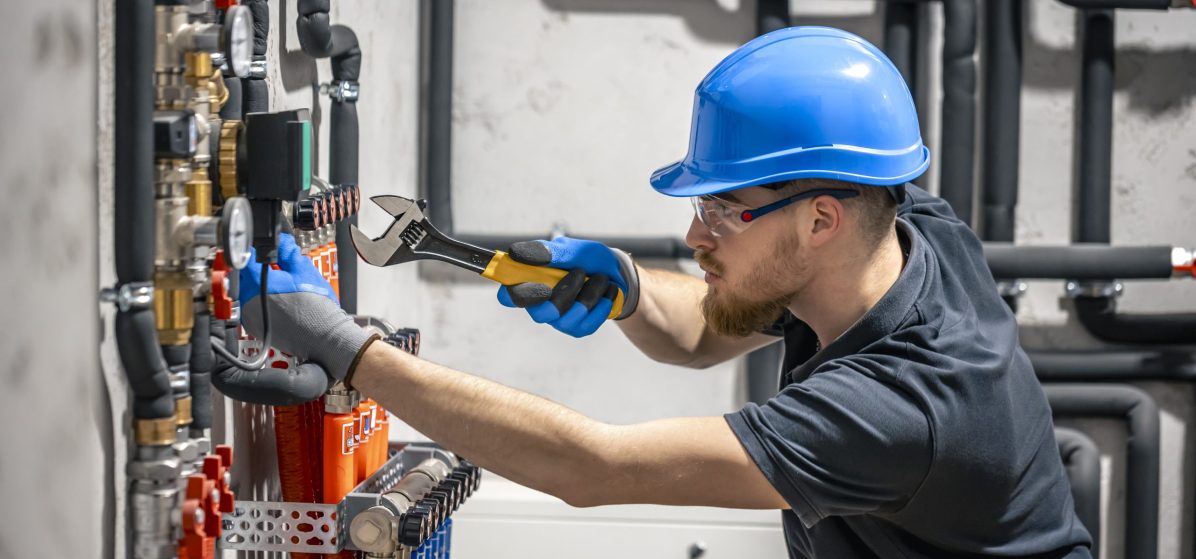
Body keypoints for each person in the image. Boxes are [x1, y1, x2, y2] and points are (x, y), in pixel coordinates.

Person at [241, 27, 1092, 558]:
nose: (695, 235)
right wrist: (631, 291)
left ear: (822, 218)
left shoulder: (905, 406)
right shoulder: (908, 229)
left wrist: (347, 347)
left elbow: (592, 467)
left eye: (723, 208)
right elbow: (703, 335)